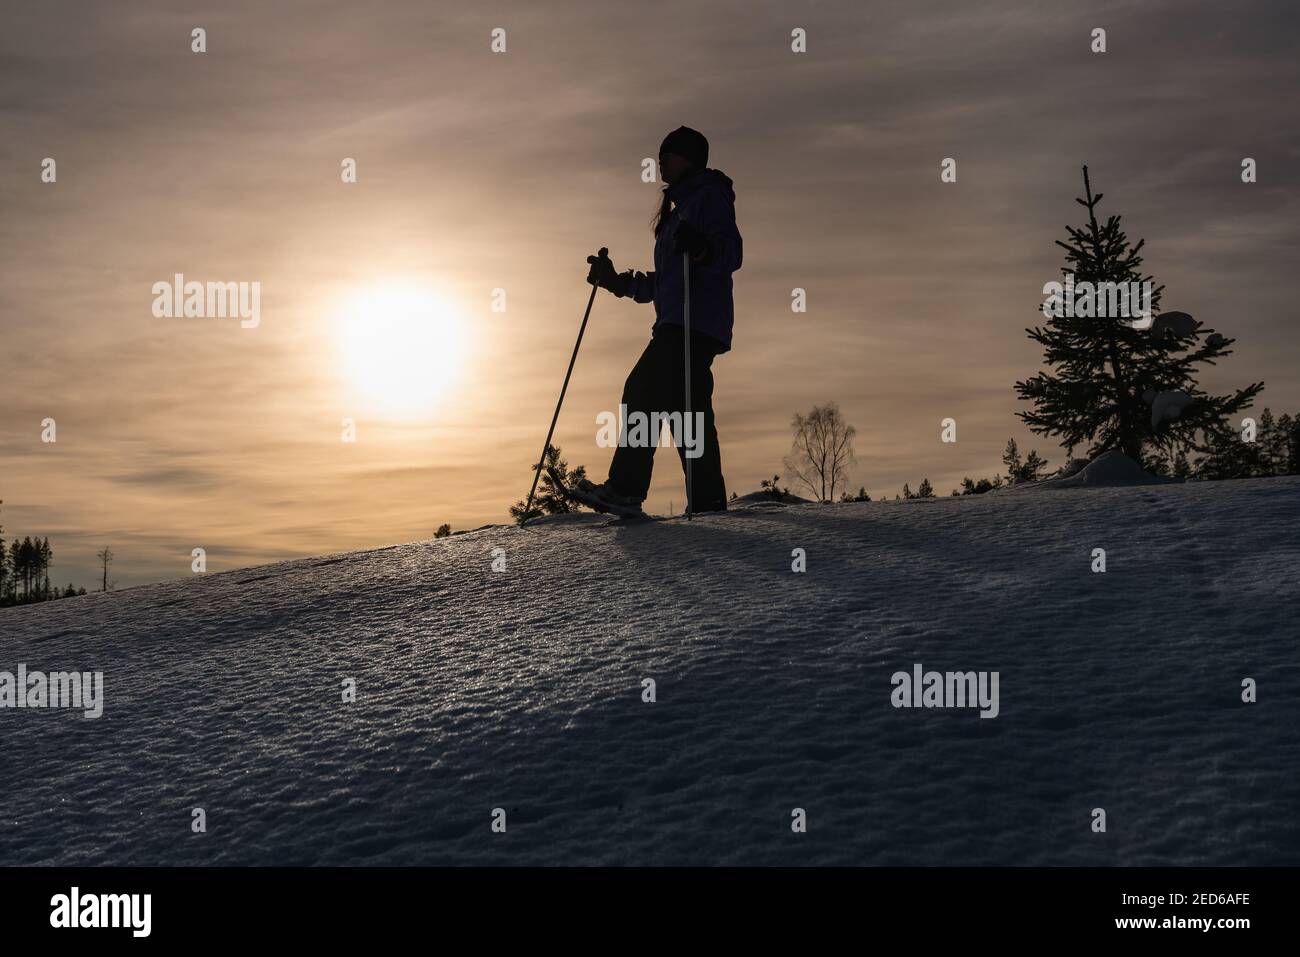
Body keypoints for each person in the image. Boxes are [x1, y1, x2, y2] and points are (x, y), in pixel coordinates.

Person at [581, 125, 743, 514]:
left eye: (666, 155)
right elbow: (668, 281)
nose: (659, 162)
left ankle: (626, 488)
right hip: (685, 321)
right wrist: (617, 282)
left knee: (642, 388)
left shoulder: (708, 195)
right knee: (687, 412)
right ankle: (707, 502)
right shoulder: (677, 212)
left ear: (687, 158)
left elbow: (730, 253)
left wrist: (702, 248)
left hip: (691, 324)